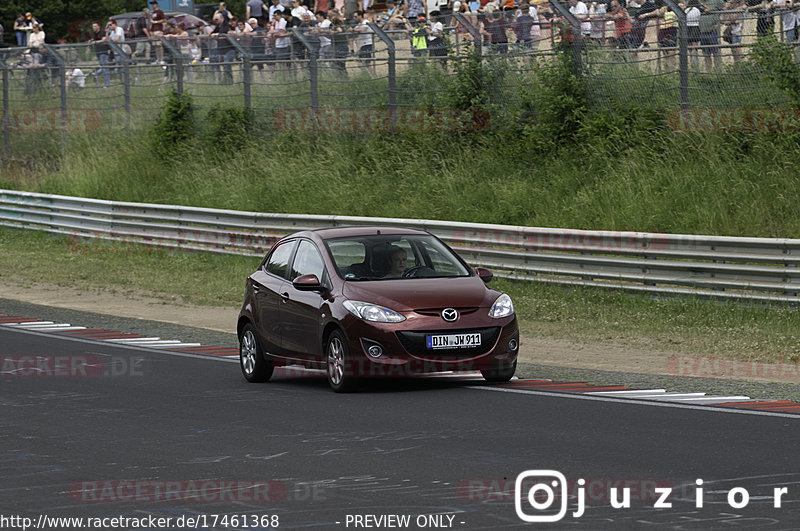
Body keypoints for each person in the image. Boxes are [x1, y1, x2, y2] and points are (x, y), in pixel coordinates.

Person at [90, 22, 111, 88]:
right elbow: (93, 39)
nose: (94, 28)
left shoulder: (102, 32)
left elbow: (104, 40)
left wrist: (95, 42)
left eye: (95, 26)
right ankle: (95, 74)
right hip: (98, 52)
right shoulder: (94, 34)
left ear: (98, 26)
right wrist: (90, 41)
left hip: (103, 52)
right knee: (102, 67)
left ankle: (106, 84)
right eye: (93, 26)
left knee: (105, 68)